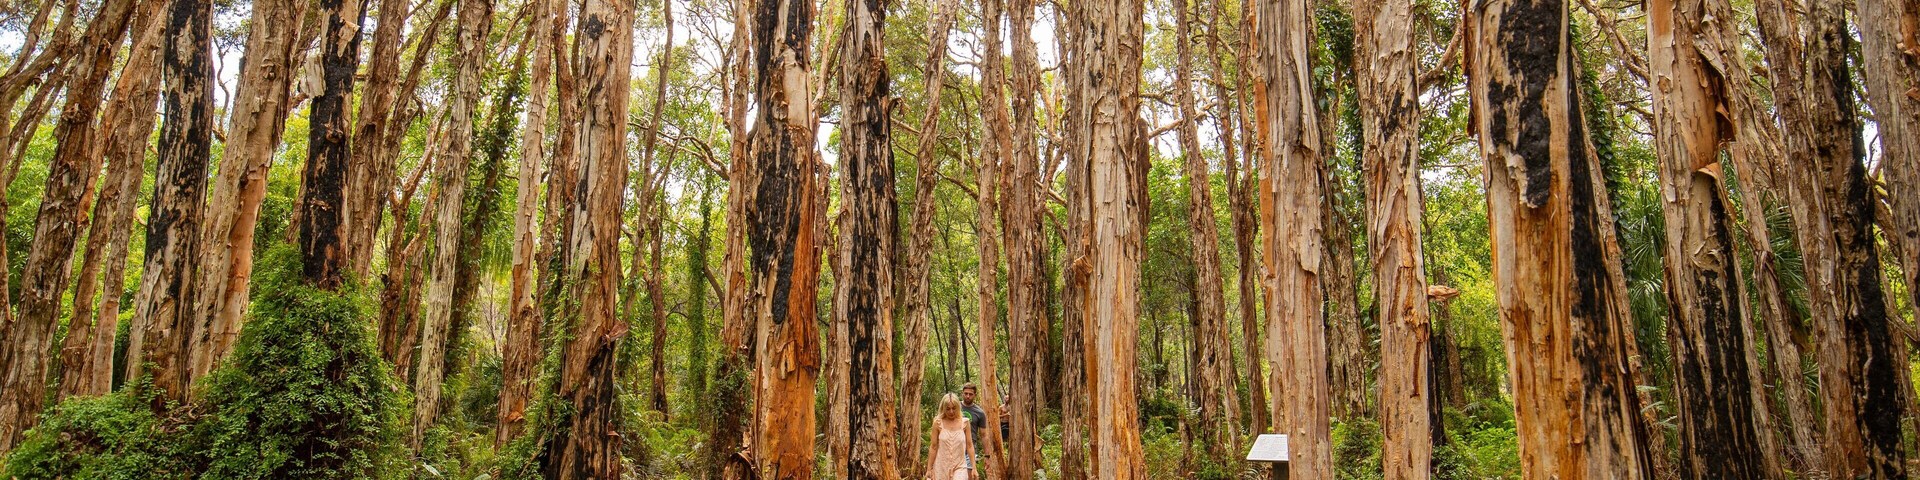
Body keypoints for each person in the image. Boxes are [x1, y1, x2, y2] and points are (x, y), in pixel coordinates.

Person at [926, 393, 976, 480]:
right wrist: (929, 469)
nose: (951, 411)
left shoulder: (965, 423)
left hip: (960, 466)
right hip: (941, 466)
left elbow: (970, 445)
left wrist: (974, 468)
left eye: (954, 408)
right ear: (943, 408)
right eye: (948, 409)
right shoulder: (937, 423)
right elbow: (933, 447)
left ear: (958, 407)